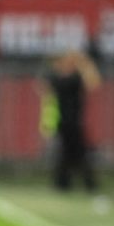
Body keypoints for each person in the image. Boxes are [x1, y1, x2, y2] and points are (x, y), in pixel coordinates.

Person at [41, 50, 101, 192]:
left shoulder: (73, 78)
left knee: (71, 153)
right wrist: (84, 64)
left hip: (73, 121)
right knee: (74, 153)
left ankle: (66, 182)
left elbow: (93, 83)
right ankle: (82, 183)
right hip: (64, 121)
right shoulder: (61, 79)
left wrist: (83, 64)